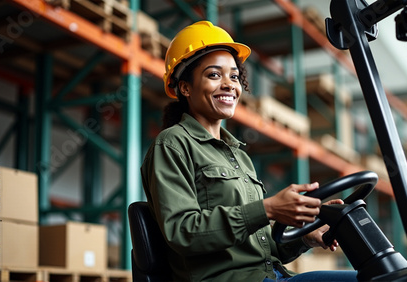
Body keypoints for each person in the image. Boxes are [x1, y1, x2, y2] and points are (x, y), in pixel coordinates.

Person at [141, 20, 357, 282]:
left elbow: (261, 248)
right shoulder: (172, 145)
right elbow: (183, 233)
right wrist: (266, 209)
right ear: (184, 87)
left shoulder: (238, 155)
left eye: (234, 76)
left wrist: (306, 238)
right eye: (213, 75)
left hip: (272, 275)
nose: (229, 84)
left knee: (377, 274)